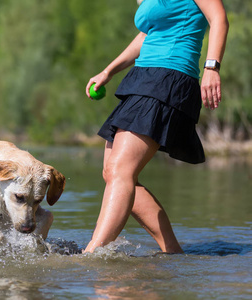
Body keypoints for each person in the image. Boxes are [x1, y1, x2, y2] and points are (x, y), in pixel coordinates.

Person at [84, 0, 229, 253]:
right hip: (143, 77)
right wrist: (109, 71)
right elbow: (147, 33)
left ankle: (92, 254)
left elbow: (218, 18)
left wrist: (211, 67)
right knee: (113, 172)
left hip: (169, 76)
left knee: (120, 170)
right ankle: (173, 252)